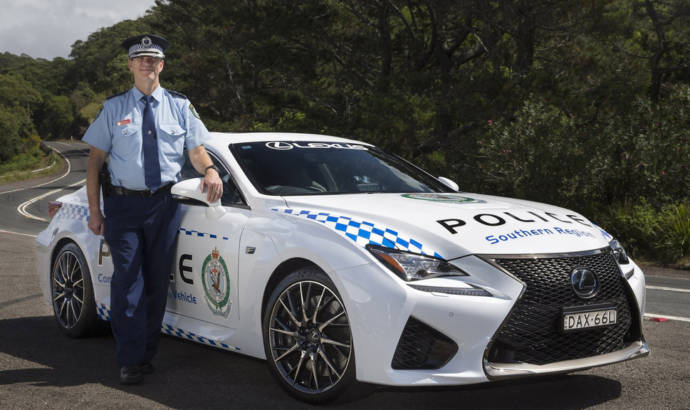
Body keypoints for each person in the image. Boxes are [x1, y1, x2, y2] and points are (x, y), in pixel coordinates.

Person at [83, 34, 223, 385]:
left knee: (158, 283)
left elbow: (196, 151)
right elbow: (95, 162)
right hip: (123, 205)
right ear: (130, 65)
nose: (147, 64)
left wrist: (209, 169)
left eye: (153, 59)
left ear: (162, 65)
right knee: (128, 279)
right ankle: (129, 359)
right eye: (140, 59)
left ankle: (145, 353)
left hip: (165, 204)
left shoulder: (180, 106)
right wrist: (95, 211)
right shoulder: (114, 108)